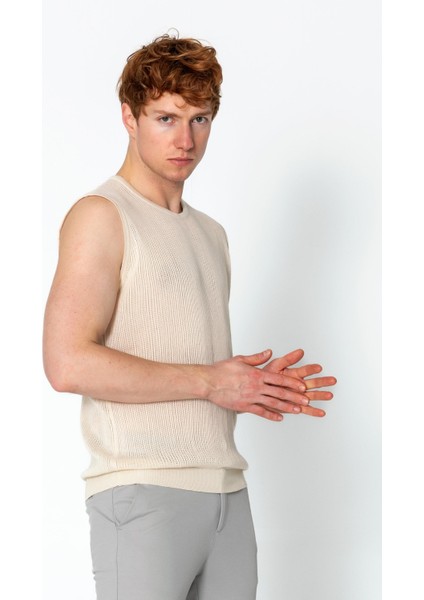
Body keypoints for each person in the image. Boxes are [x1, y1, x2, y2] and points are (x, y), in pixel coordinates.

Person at [43, 33, 336, 600]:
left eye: (200, 119)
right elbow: (66, 363)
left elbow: (190, 360)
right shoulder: (101, 215)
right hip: (142, 491)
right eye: (166, 118)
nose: (186, 140)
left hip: (228, 494)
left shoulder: (211, 233)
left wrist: (252, 384)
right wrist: (211, 382)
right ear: (128, 117)